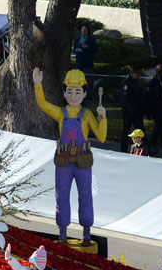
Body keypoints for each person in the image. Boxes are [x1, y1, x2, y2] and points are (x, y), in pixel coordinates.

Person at [33, 68, 107, 245]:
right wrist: (37, 85)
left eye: (77, 92)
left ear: (84, 93)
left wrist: (103, 119)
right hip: (64, 161)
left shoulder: (87, 114)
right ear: (64, 93)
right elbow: (42, 104)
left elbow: (102, 137)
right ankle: (62, 232)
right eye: (70, 91)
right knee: (62, 196)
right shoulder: (60, 113)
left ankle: (86, 233)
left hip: (82, 162)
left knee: (86, 196)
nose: (73, 96)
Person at [145, 64, 162, 155]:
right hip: (155, 109)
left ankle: (153, 145)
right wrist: (148, 112)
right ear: (157, 72)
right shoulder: (152, 83)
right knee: (160, 126)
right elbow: (147, 99)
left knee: (160, 127)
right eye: (161, 72)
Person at [119, 66, 145, 153]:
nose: (138, 75)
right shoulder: (127, 83)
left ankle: (142, 148)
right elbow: (126, 99)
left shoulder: (135, 82)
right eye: (136, 73)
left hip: (136, 111)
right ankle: (123, 149)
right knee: (126, 130)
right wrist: (131, 110)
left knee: (140, 130)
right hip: (129, 112)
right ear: (132, 73)